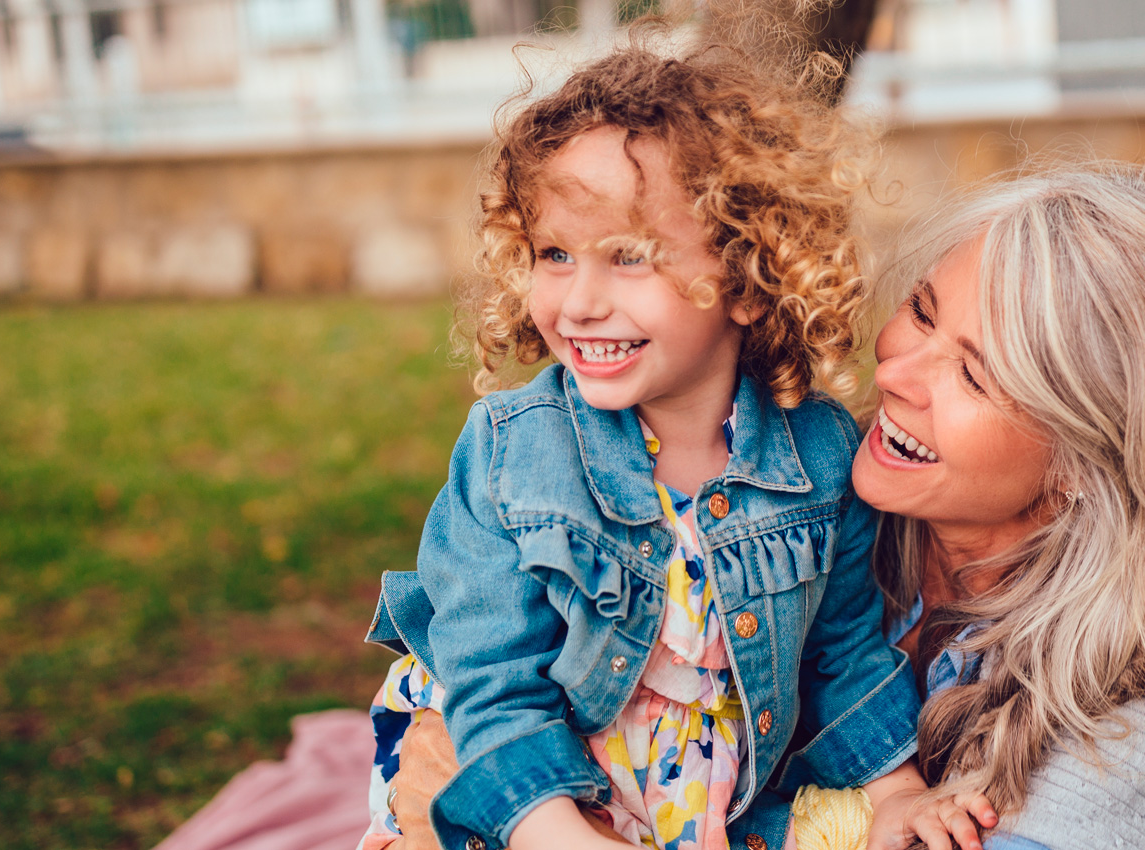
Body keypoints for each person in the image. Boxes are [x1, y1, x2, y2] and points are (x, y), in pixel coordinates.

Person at [358, 31, 995, 850]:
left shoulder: (818, 455)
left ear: (748, 277)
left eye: (628, 257)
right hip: (514, 784)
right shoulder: (513, 455)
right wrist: (555, 831)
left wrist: (899, 790)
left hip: (694, 791)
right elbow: (492, 678)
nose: (580, 301)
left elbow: (844, 654)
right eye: (555, 254)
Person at [850, 164, 1145, 848]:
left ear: (1077, 461)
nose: (893, 374)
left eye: (973, 376)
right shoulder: (786, 506)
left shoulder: (1117, 732)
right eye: (921, 311)